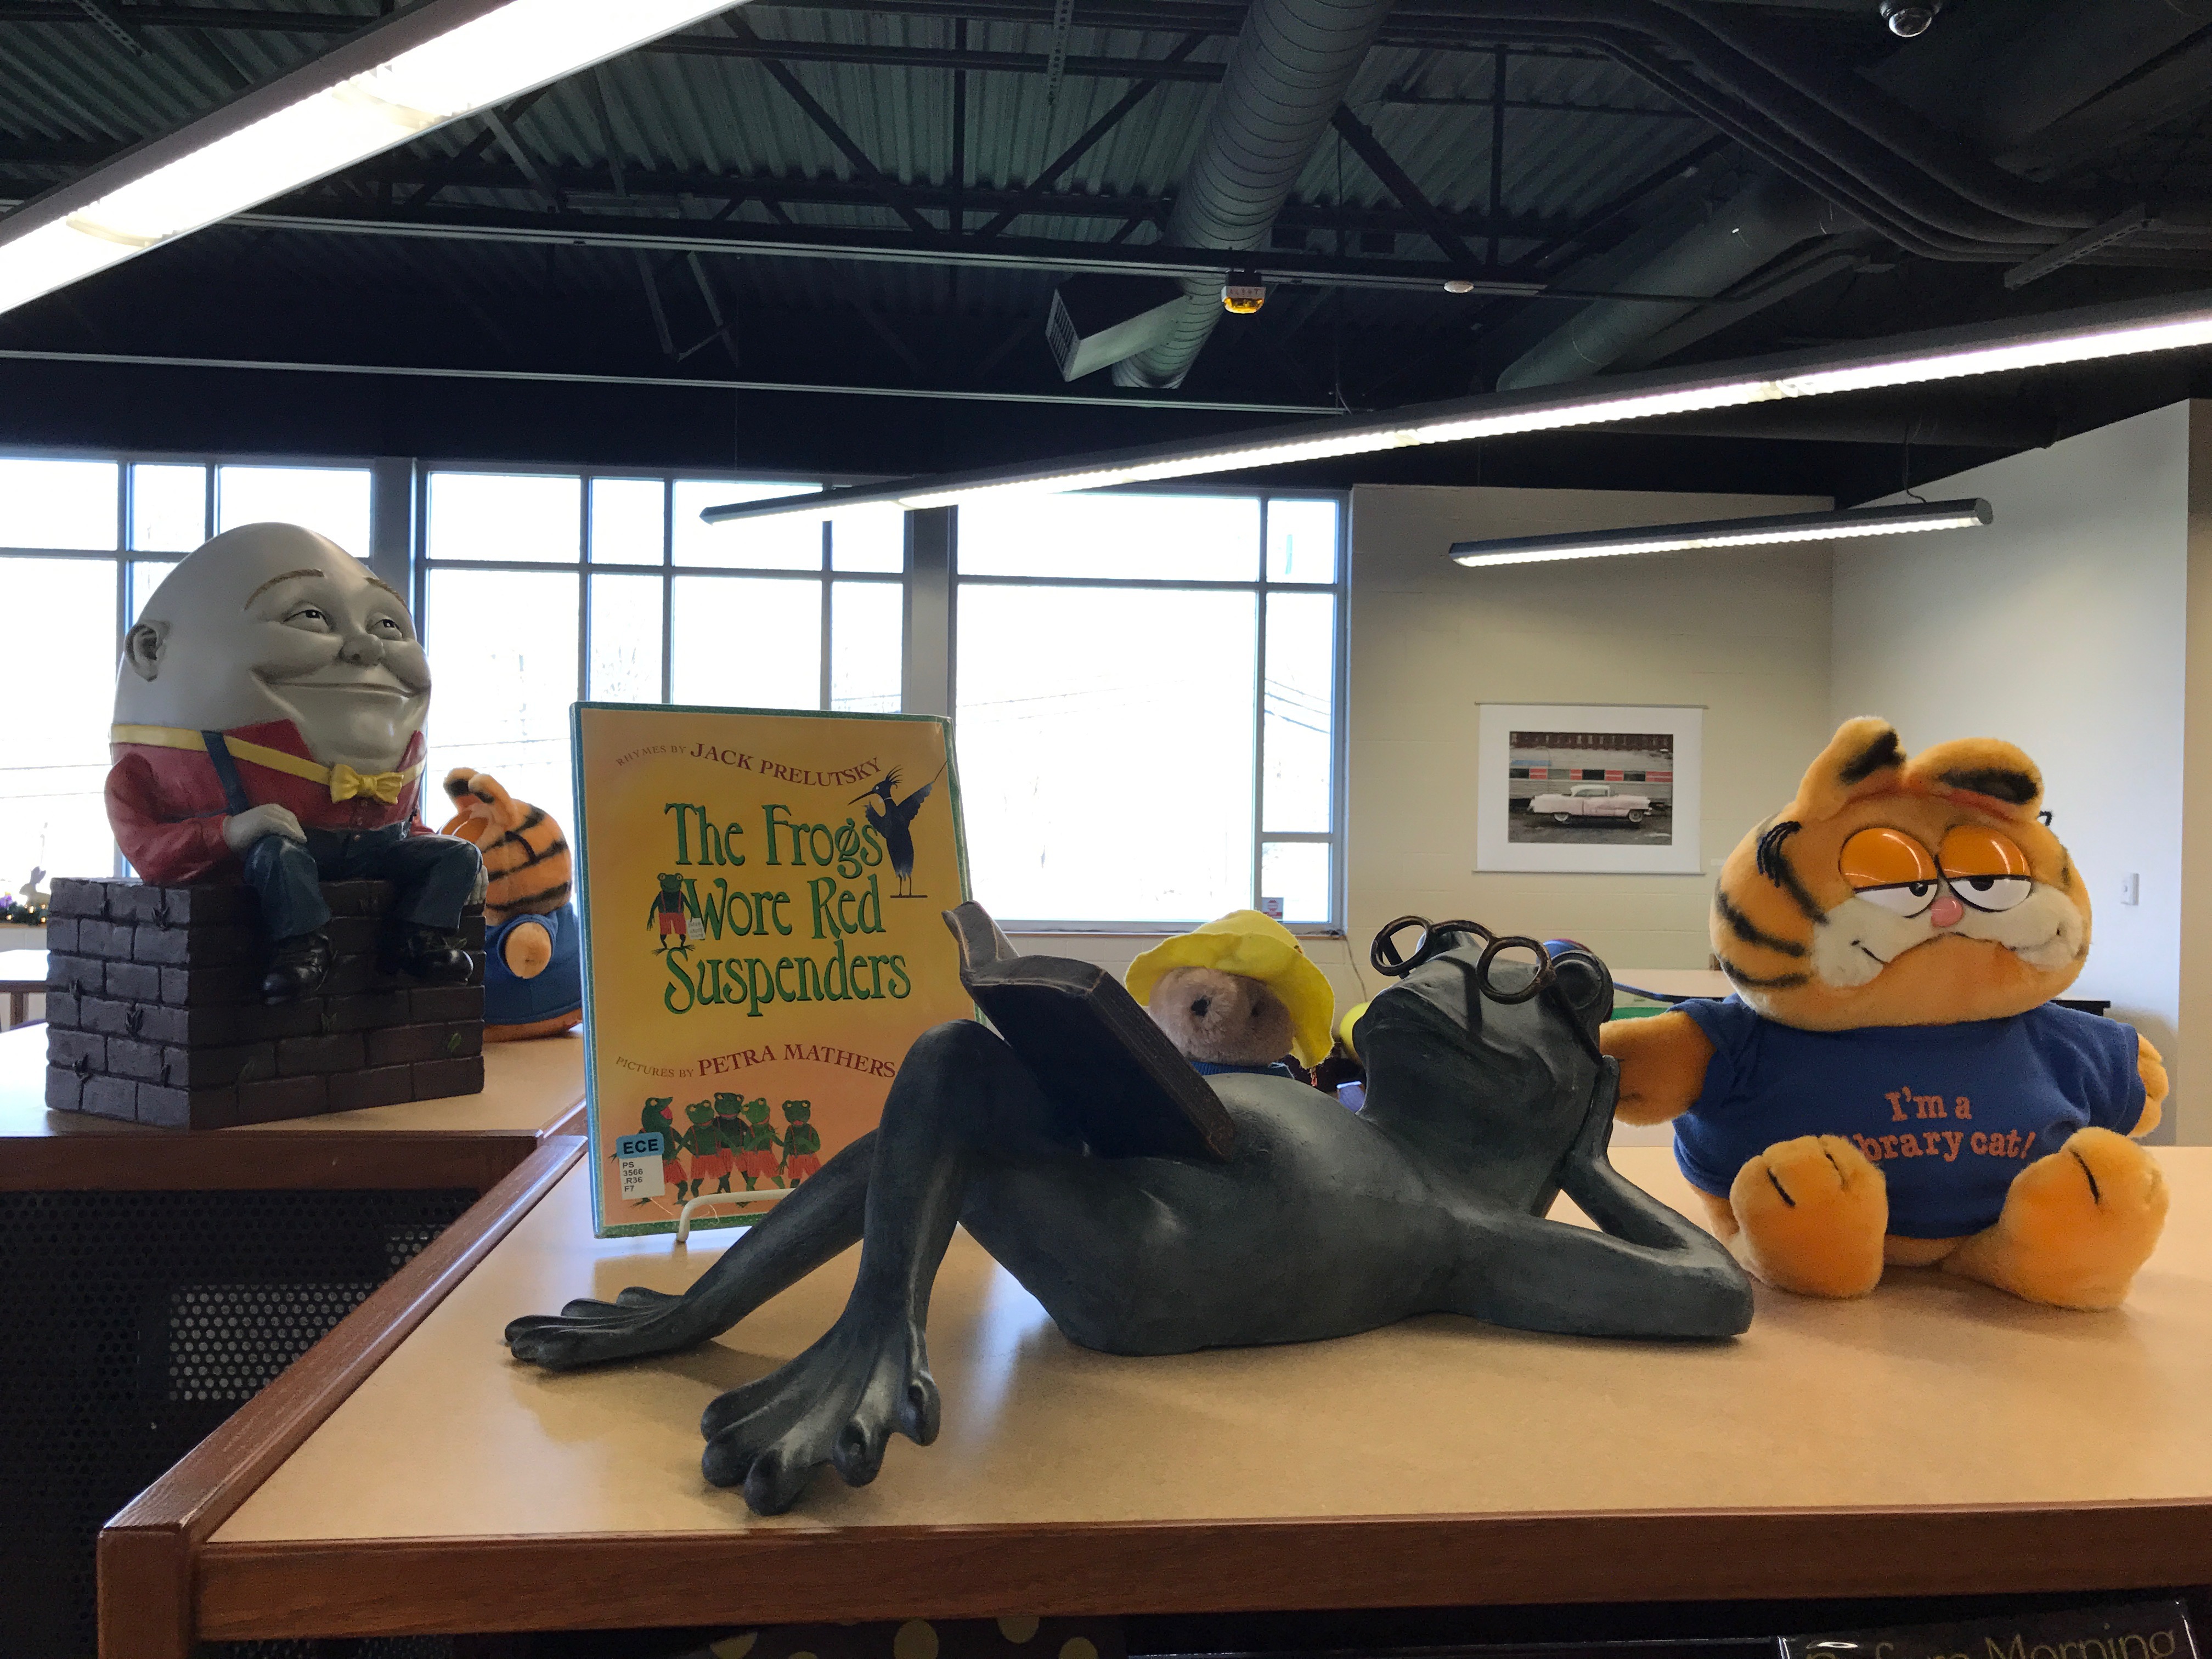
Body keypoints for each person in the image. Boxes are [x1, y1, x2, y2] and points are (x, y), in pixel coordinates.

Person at [108, 522, 481, 1003]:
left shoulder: (397, 756)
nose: (367, 647)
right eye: (309, 616)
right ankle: (302, 946)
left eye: (387, 626)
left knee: (459, 855)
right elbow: (149, 848)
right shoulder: (146, 770)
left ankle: (418, 938)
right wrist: (229, 831)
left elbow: (406, 823)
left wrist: (442, 857)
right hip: (291, 853)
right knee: (278, 857)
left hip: (374, 851)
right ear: (150, 650)